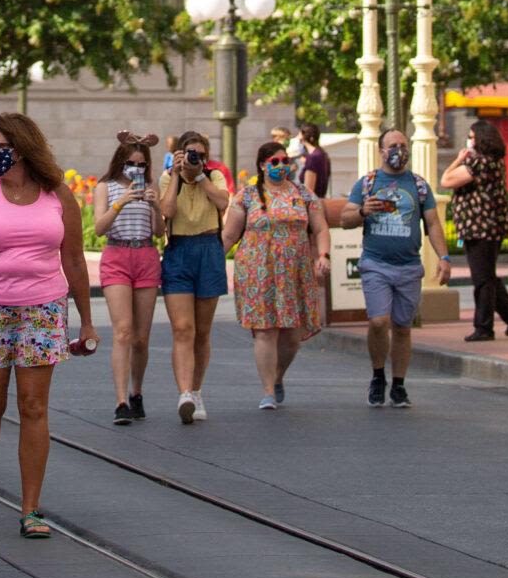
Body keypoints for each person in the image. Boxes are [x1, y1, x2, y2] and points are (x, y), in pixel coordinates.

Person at [0, 112, 94, 538]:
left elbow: (74, 260)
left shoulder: (58, 195)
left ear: (24, 148)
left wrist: (86, 321)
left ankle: (31, 508)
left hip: (43, 309)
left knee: (34, 408)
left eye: (0, 148)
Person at [331, 127, 448, 406]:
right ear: (381, 151)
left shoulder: (418, 186)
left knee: (403, 327)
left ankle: (398, 384)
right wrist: (362, 211)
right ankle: (377, 375)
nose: (399, 151)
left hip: (409, 266)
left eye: (403, 146)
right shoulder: (368, 183)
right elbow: (345, 218)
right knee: (378, 321)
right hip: (376, 264)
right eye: (393, 146)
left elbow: (432, 223)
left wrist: (444, 258)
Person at [225, 137, 330, 411]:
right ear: (262, 165)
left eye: (285, 161)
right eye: (275, 162)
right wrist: (212, 259)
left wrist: (323, 255)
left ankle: (278, 375)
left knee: (292, 337)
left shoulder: (304, 194)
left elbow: (320, 228)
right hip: (257, 269)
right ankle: (268, 391)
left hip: (295, 270)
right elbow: (229, 235)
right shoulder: (246, 196)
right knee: (266, 331)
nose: (281, 166)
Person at [157, 127, 230, 423]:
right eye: (190, 153)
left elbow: (224, 203)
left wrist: (200, 176)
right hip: (179, 251)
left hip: (209, 249)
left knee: (202, 331)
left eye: (200, 154)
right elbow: (167, 211)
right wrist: (176, 174)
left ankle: (197, 390)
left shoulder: (214, 177)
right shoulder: (168, 178)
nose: (194, 158)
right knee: (183, 329)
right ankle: (184, 392)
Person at [91, 132, 162, 424]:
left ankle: (137, 392)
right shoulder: (105, 187)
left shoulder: (152, 187)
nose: (137, 169)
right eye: (131, 164)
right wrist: (121, 201)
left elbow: (159, 232)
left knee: (141, 339)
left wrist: (156, 205)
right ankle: (121, 401)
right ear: (120, 162)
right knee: (123, 331)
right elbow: (98, 228)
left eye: (142, 165)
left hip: (145, 255)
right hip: (117, 256)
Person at [443, 120, 508, 343]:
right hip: (488, 227)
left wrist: (459, 159)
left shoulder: (480, 163)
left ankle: (484, 326)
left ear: (480, 139)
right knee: (487, 276)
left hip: (481, 228)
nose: (469, 140)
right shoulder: (494, 162)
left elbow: (446, 180)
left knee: (482, 279)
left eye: (471, 136)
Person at [298, 120, 332, 198]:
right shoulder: (322, 154)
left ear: (304, 135)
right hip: (320, 199)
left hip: (313, 204)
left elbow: (308, 191)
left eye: (299, 133)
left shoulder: (313, 157)